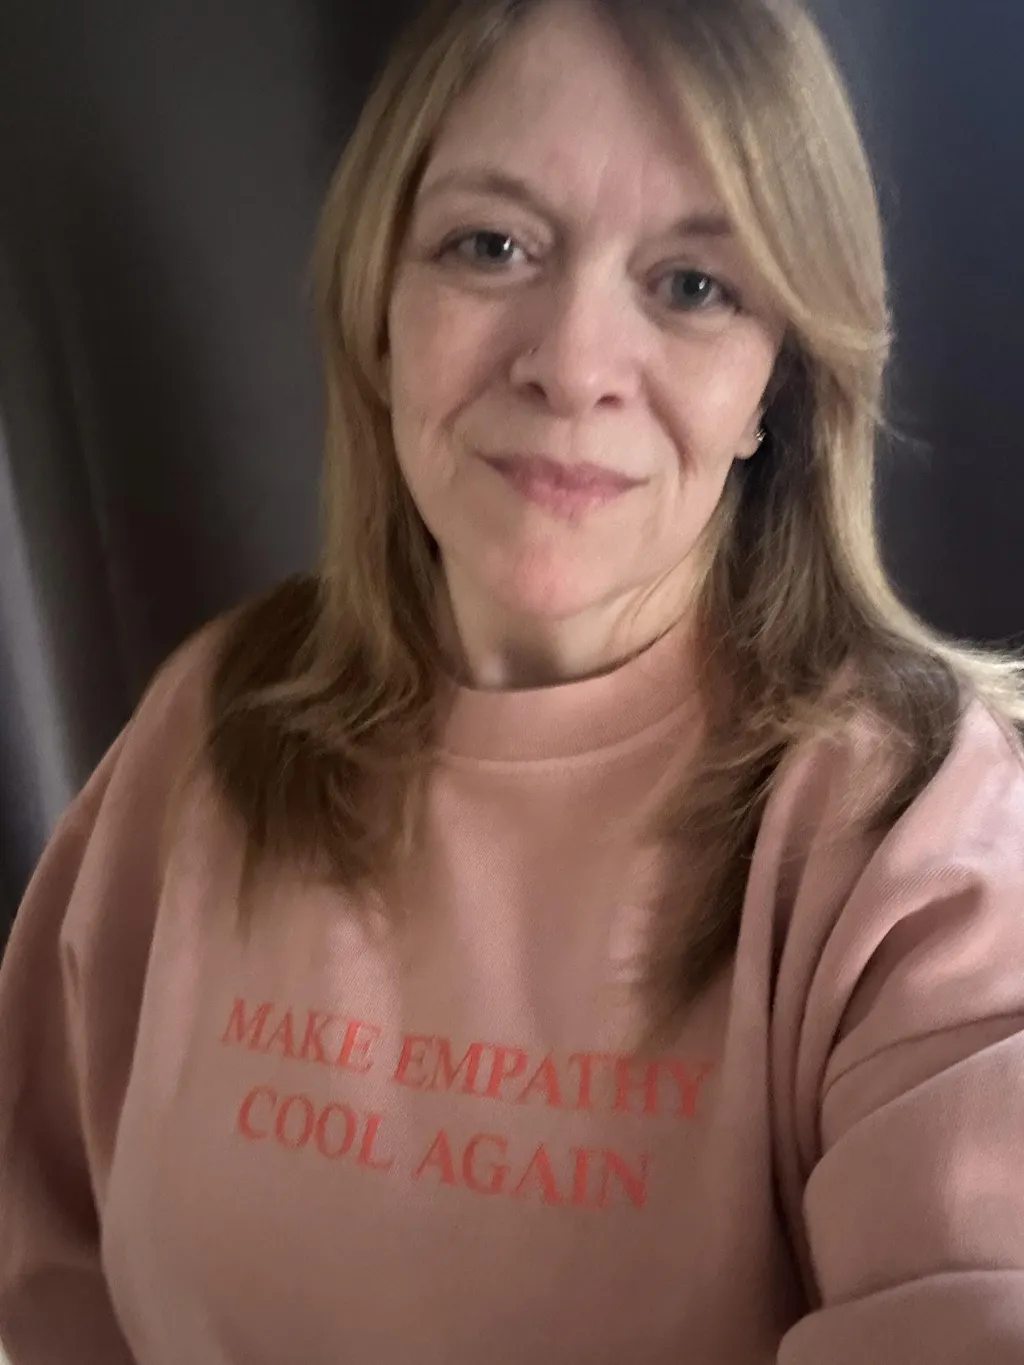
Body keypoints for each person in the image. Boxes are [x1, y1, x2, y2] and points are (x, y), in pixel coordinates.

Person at [1, 0, 1023, 1360]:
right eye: (492, 246)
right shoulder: (206, 722)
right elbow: (43, 1268)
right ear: (379, 313)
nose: (573, 368)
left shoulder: (920, 829)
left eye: (694, 285)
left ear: (774, 388)